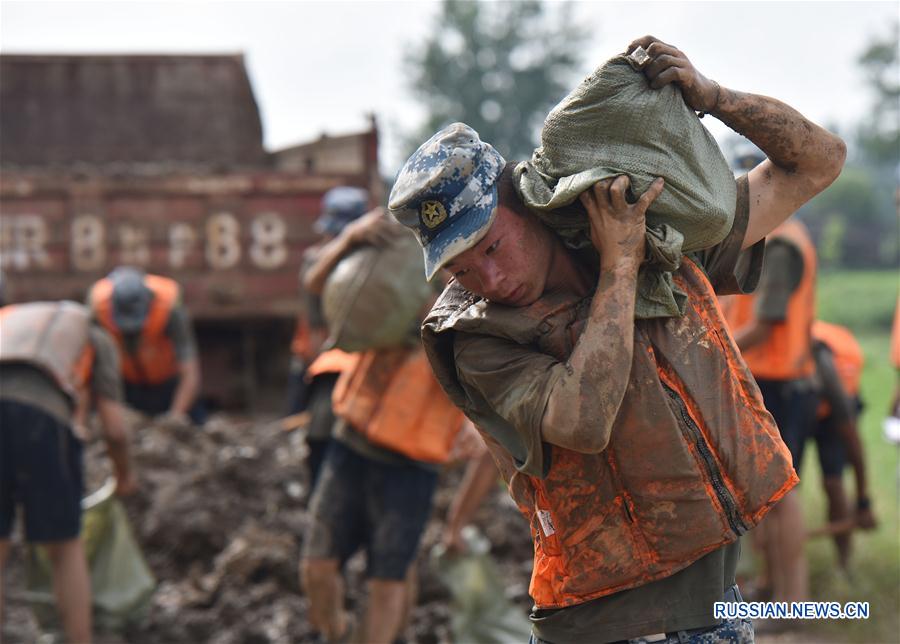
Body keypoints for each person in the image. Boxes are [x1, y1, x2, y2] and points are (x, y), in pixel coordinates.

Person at [389, 35, 846, 644]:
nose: (488, 280)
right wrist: (620, 267)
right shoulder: (475, 338)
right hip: (600, 626)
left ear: (521, 203)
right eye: (461, 270)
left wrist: (712, 97)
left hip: (712, 609)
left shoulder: (651, 229)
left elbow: (818, 163)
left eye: (492, 247)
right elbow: (583, 421)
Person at [299, 212, 472, 643]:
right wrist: (348, 240)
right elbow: (317, 285)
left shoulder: (480, 293)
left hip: (413, 462)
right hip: (351, 438)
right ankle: (335, 632)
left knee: (389, 577)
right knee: (316, 568)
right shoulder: (403, 263)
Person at [0, 300, 137, 644]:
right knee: (63, 546)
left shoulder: (10, 317)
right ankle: (80, 639)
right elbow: (116, 429)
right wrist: (125, 477)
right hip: (41, 417)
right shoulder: (94, 334)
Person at [286, 186, 369, 487]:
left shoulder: (367, 265)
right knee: (315, 436)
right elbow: (315, 331)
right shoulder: (316, 262)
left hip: (349, 361)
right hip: (323, 362)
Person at [87, 266, 204, 426]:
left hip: (167, 387)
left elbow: (190, 373)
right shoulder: (99, 311)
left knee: (195, 424)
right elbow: (90, 372)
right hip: (126, 388)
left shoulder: (170, 311)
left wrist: (176, 416)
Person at [807, 320, 876, 568]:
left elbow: (854, 445)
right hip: (795, 397)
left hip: (834, 399)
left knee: (834, 483)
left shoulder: (838, 392)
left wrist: (863, 502)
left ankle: (843, 566)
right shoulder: (785, 378)